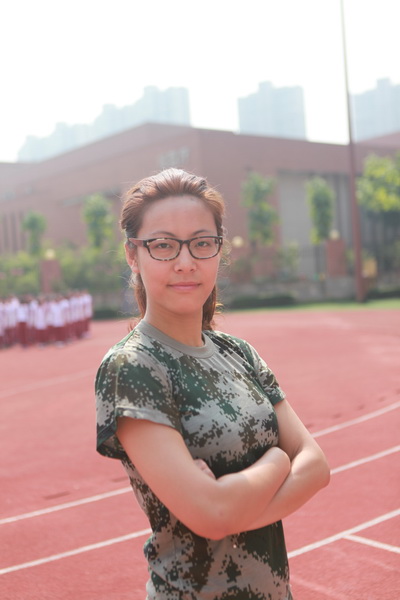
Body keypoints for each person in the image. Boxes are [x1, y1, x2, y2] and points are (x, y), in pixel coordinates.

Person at [95, 168, 330, 600]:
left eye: (202, 243)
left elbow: (317, 466)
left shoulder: (239, 353)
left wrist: (231, 506)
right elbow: (211, 514)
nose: (186, 262)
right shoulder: (133, 367)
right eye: (163, 245)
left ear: (219, 249)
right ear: (133, 254)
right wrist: (279, 459)